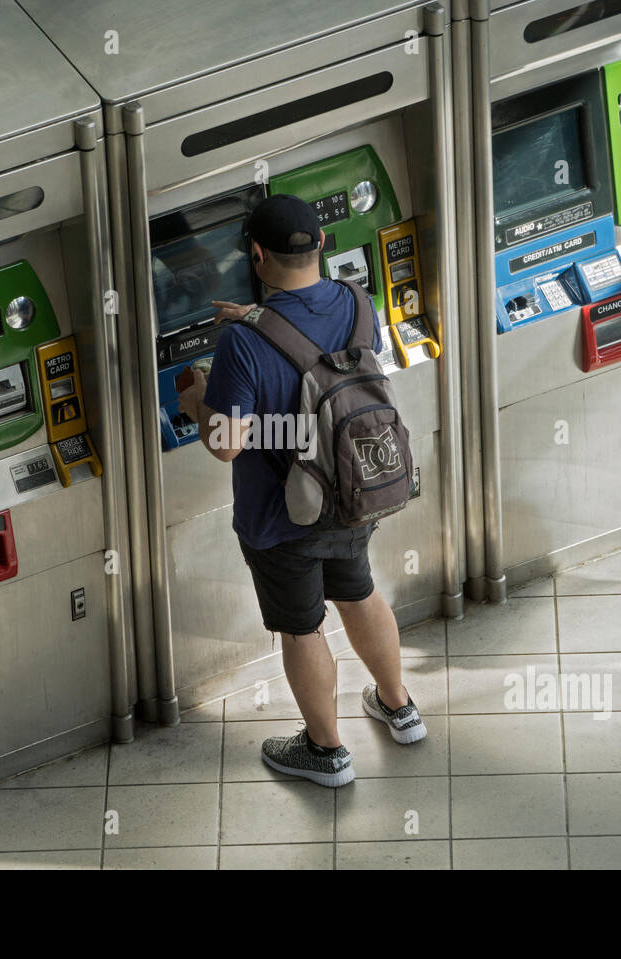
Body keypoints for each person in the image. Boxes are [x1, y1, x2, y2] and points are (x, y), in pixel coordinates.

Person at [176, 194, 425, 789]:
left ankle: (325, 751)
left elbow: (227, 444)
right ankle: (399, 707)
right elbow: (315, 352)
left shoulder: (242, 344)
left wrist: (196, 399)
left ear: (255, 255)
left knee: (302, 627)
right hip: (354, 489)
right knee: (359, 591)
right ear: (320, 246)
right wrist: (259, 321)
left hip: (283, 515)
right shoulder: (357, 301)